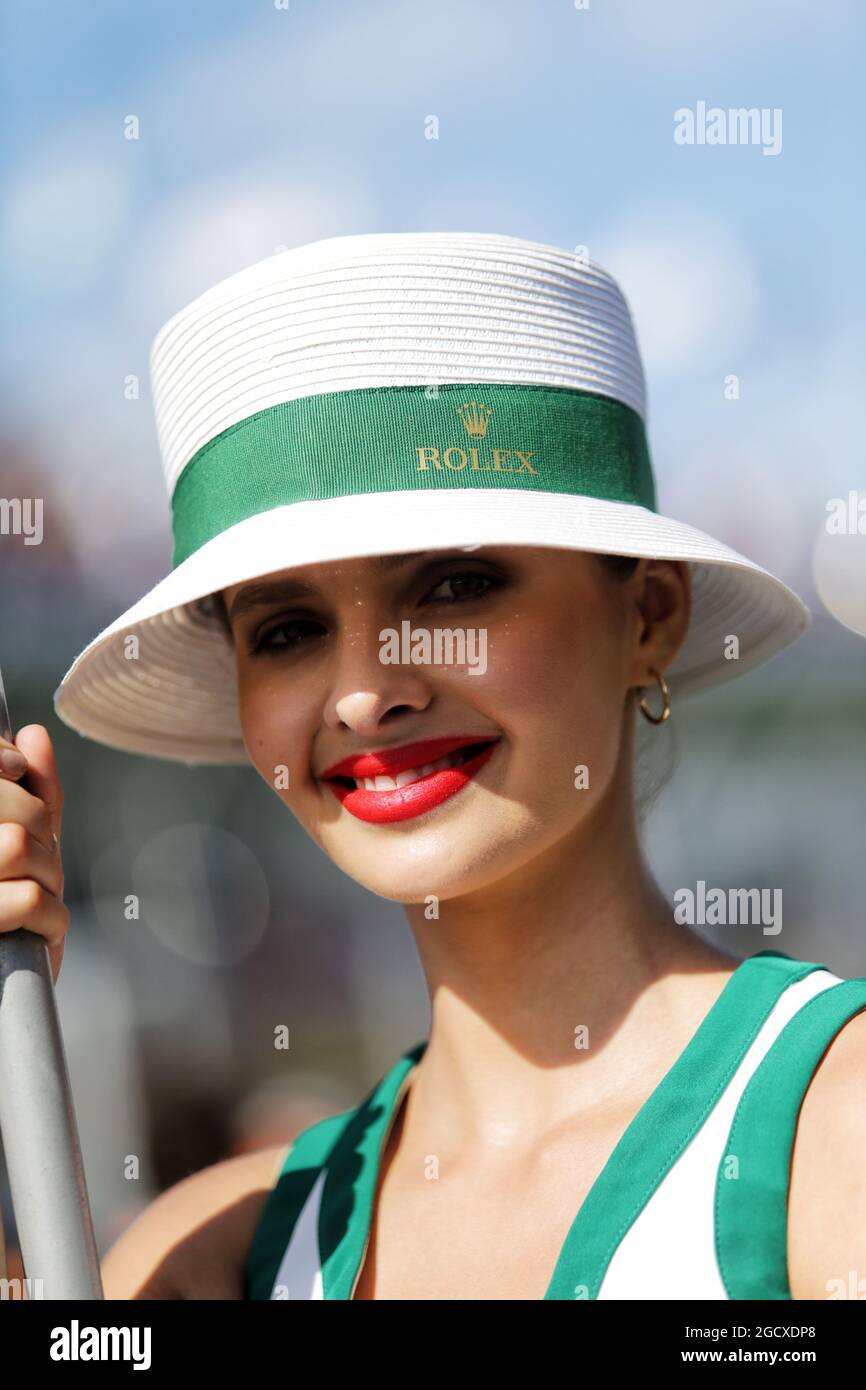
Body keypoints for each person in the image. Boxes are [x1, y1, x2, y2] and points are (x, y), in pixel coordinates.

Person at [5, 231, 864, 1299]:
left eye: (452, 587)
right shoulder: (212, 1256)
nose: (368, 690)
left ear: (645, 614)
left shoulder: (831, 1134)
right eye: (286, 630)